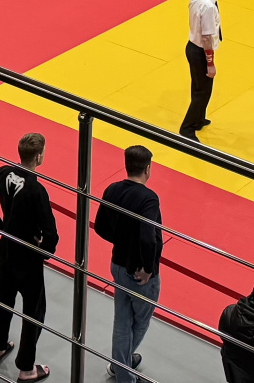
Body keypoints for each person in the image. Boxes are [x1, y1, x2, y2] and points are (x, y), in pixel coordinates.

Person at [0, 132, 58, 383]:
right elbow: (51, 233)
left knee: (3, 301)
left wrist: (1, 228)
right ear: (39, 157)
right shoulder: (36, 189)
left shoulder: (4, 173)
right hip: (28, 258)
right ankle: (26, 369)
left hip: (7, 250)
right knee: (34, 312)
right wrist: (45, 251)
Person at [94, 145, 164, 383]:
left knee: (122, 321)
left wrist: (121, 240)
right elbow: (148, 237)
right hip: (139, 272)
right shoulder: (149, 198)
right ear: (147, 169)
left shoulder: (112, 189)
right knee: (139, 322)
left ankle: (121, 365)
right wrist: (148, 268)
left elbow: (100, 226)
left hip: (118, 263)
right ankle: (122, 370)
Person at [180, 0, 222, 141]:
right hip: (201, 51)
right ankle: (187, 128)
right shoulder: (209, 7)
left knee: (197, 87)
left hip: (192, 47)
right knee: (203, 91)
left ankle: (198, 119)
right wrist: (210, 64)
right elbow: (206, 38)